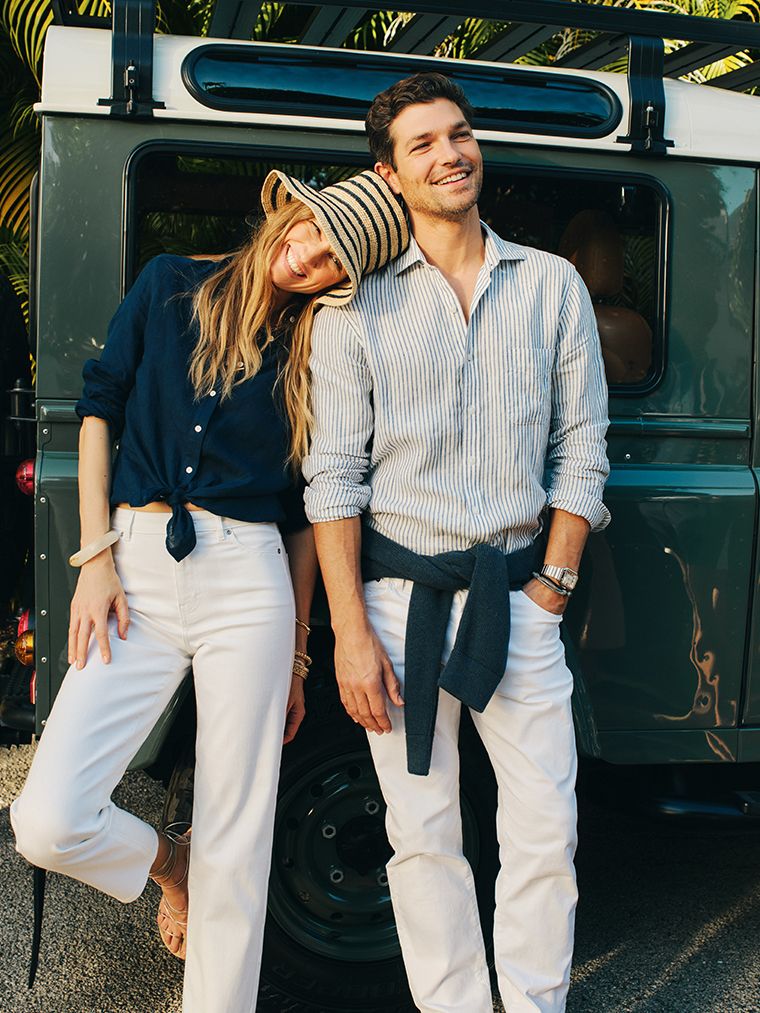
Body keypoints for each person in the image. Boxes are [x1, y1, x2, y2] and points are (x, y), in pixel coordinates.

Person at [10, 169, 408, 1013]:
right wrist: (95, 559)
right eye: (316, 229)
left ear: (345, 283)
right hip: (138, 570)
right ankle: (169, 863)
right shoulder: (167, 283)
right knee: (47, 817)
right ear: (290, 212)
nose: (311, 255)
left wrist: (300, 654)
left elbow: (306, 517)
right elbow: (99, 408)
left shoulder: (317, 349)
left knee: (241, 832)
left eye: (337, 259)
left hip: (251, 579)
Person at [303, 73, 610, 1013]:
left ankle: (534, 1001)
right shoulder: (353, 310)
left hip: (519, 597)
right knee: (423, 831)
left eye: (460, 134)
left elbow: (584, 443)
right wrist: (350, 633)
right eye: (425, 143)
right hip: (399, 608)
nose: (451, 153)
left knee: (544, 828)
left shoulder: (551, 284)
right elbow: (334, 478)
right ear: (392, 175)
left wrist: (551, 585)